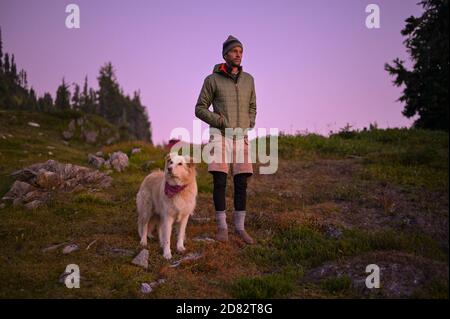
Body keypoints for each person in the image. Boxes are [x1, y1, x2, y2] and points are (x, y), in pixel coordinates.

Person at [195, 35, 257, 244]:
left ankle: (240, 227)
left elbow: (253, 105)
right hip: (220, 135)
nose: (238, 54)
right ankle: (222, 227)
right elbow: (199, 109)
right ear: (225, 55)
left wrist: (250, 122)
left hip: (242, 137)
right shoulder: (212, 80)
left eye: (240, 51)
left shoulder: (249, 79)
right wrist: (219, 120)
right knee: (220, 181)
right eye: (234, 51)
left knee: (241, 183)